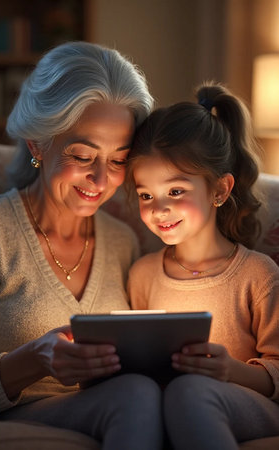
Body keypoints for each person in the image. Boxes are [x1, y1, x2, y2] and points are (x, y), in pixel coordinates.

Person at [0, 41, 164, 450]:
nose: (100, 181)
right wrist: (33, 360)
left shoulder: (123, 242)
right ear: (37, 145)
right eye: (82, 155)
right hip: (21, 420)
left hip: (115, 418)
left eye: (118, 161)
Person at [126, 82, 279, 449]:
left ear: (219, 190)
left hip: (247, 406)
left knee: (191, 393)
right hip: (167, 406)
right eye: (146, 194)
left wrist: (231, 370)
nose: (158, 209)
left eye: (176, 191)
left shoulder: (257, 275)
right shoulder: (142, 274)